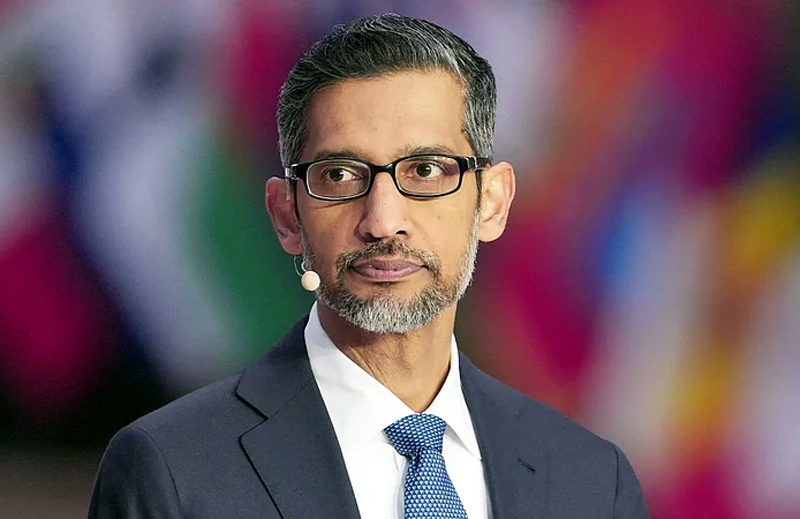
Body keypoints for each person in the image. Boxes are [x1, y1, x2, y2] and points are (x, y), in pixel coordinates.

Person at [89, 14, 649, 519]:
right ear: (286, 216)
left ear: (493, 203)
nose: (383, 221)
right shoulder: (171, 474)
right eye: (340, 175)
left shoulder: (594, 482)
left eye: (426, 170)